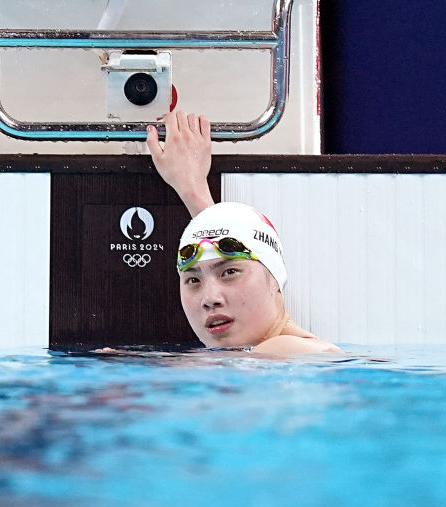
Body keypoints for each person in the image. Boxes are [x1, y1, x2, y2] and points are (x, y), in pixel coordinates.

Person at [145, 110, 340, 355]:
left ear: (276, 281)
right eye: (193, 280)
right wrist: (191, 188)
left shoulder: (285, 349)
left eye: (230, 272)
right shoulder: (269, 358)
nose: (210, 299)